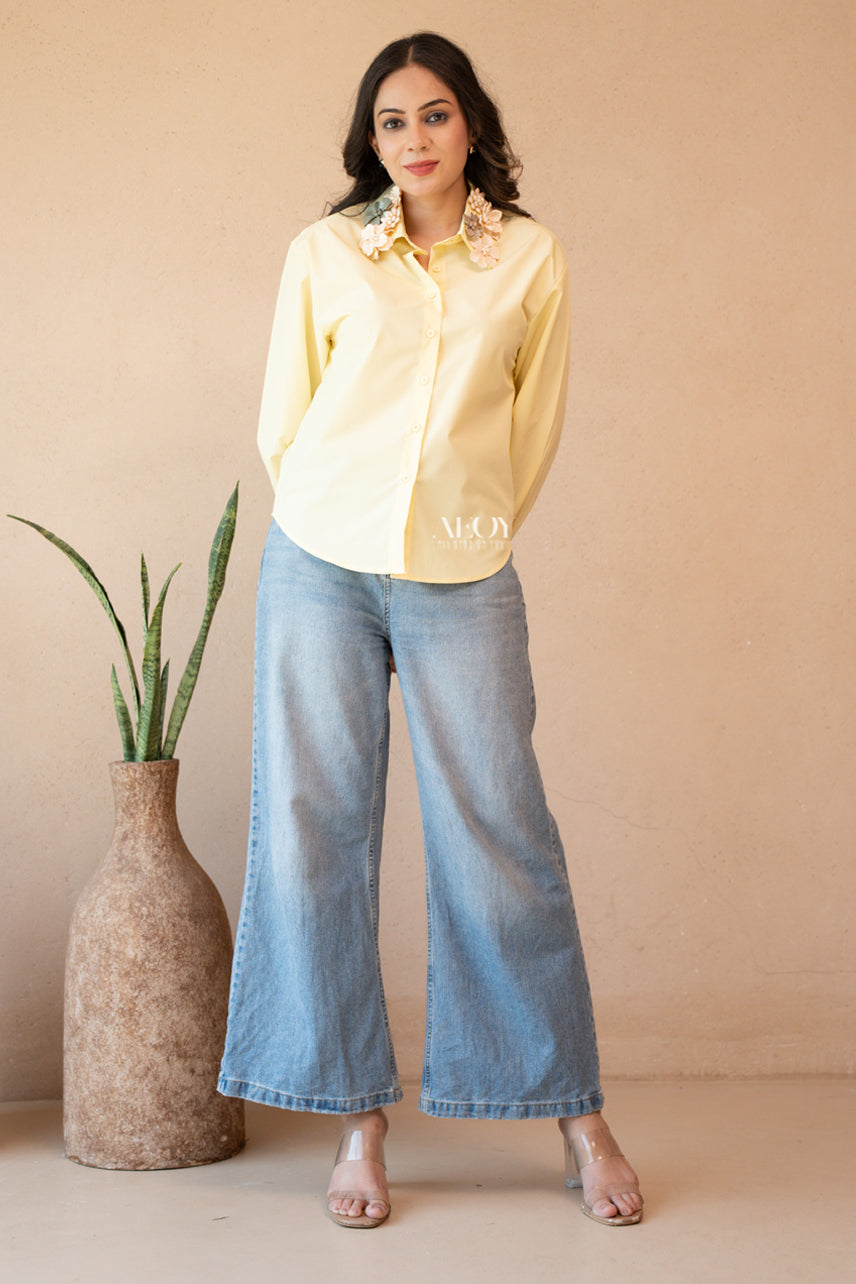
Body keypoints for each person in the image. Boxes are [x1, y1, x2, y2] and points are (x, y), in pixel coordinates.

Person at [218, 31, 643, 1229]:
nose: (413, 140)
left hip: (462, 571)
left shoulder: (532, 260)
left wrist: (474, 526)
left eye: (434, 116)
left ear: (471, 127)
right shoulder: (326, 253)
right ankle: (357, 1122)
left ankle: (577, 1114)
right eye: (391, 121)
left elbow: (534, 421)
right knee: (313, 831)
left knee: (501, 833)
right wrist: (326, 515)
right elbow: (284, 415)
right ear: (370, 141)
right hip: (319, 567)